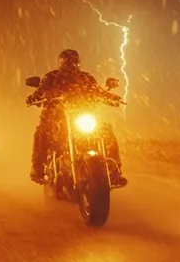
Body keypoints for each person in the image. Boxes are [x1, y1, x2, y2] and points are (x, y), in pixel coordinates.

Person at [25, 49, 126, 186]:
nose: (72, 65)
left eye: (75, 61)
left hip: (81, 115)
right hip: (56, 117)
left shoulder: (86, 78)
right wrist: (34, 98)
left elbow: (97, 91)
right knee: (42, 132)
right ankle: (38, 169)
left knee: (106, 130)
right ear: (62, 62)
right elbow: (41, 91)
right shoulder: (51, 77)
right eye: (69, 62)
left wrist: (110, 97)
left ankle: (114, 171)